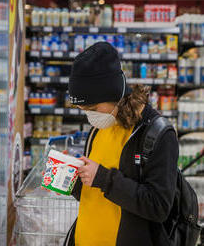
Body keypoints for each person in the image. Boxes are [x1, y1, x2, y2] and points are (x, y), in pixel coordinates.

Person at [64, 42, 179, 246]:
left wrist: (104, 178)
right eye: (83, 110)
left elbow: (158, 207)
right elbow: (94, 194)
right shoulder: (100, 127)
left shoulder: (157, 134)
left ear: (114, 94)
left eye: (93, 108)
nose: (90, 116)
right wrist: (70, 180)